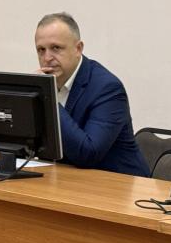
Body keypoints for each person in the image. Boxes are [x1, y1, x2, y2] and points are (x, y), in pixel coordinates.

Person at [35, 12, 149, 176]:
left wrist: (48, 99)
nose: (47, 58)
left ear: (78, 49)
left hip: (119, 184)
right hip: (70, 178)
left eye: (56, 48)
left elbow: (88, 154)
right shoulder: (47, 83)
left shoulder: (107, 88)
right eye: (41, 50)